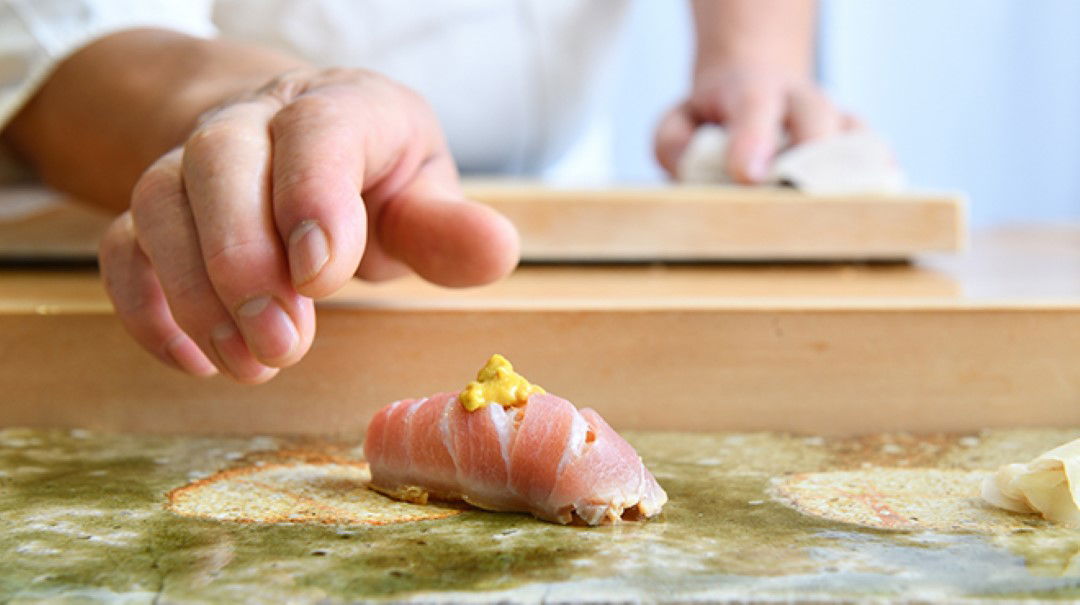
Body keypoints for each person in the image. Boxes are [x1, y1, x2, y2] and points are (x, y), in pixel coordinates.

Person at [0, 0, 860, 383]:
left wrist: (753, 55)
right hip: (216, 224)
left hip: (563, 208)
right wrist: (264, 116)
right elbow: (59, 36)